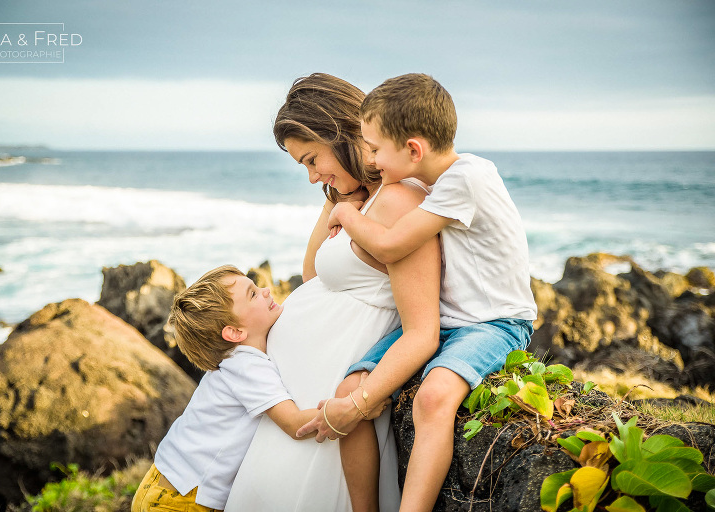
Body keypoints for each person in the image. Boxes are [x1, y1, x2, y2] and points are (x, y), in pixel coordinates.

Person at [312, 73, 537, 511]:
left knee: (434, 397)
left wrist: (345, 212)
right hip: (451, 322)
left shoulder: (467, 177)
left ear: (413, 149)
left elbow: (392, 244)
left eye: (376, 150)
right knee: (352, 389)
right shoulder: (433, 185)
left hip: (495, 323)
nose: (371, 161)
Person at [225, 73, 442, 512]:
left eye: (311, 159)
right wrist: (339, 193)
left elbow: (422, 328)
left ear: (341, 133)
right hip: (299, 405)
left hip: (329, 409)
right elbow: (313, 274)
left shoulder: (400, 203)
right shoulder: (366, 199)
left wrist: (358, 404)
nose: (310, 177)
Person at [132, 265, 339, 512]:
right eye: (252, 294)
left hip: (170, 481)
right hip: (178, 498)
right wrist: (347, 408)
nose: (265, 290)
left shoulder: (237, 358)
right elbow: (294, 423)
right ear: (235, 332)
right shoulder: (246, 366)